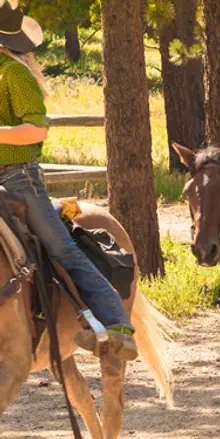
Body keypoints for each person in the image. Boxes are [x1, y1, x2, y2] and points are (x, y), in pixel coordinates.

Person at [0, 1, 136, 360]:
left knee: (63, 250)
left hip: (18, 179)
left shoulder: (14, 74)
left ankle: (117, 324)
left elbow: (36, 130)